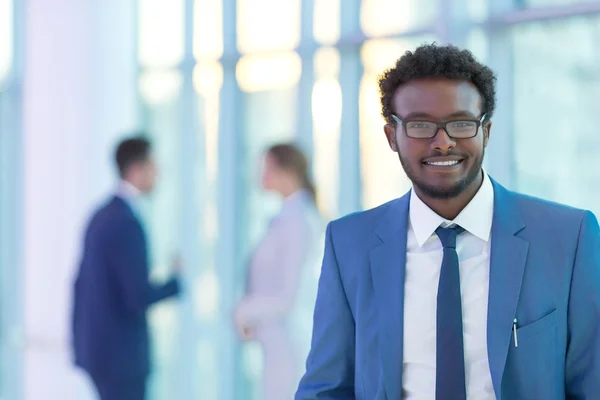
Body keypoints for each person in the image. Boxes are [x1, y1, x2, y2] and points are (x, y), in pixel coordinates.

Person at [296, 43, 600, 399]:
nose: (443, 143)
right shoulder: (349, 242)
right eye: (420, 125)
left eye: (461, 123)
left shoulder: (568, 237)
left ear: (486, 131)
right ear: (392, 136)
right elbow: (327, 388)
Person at [72, 136, 182, 400]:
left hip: (102, 353)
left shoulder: (103, 214)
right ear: (136, 169)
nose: (158, 173)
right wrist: (175, 282)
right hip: (120, 359)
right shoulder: (125, 221)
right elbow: (136, 296)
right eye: (153, 166)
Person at [235, 143, 324, 400]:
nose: (261, 175)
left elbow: (287, 296)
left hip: (289, 341)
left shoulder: (298, 220)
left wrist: (244, 312)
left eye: (268, 169)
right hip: (275, 340)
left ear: (289, 172)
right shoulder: (286, 216)